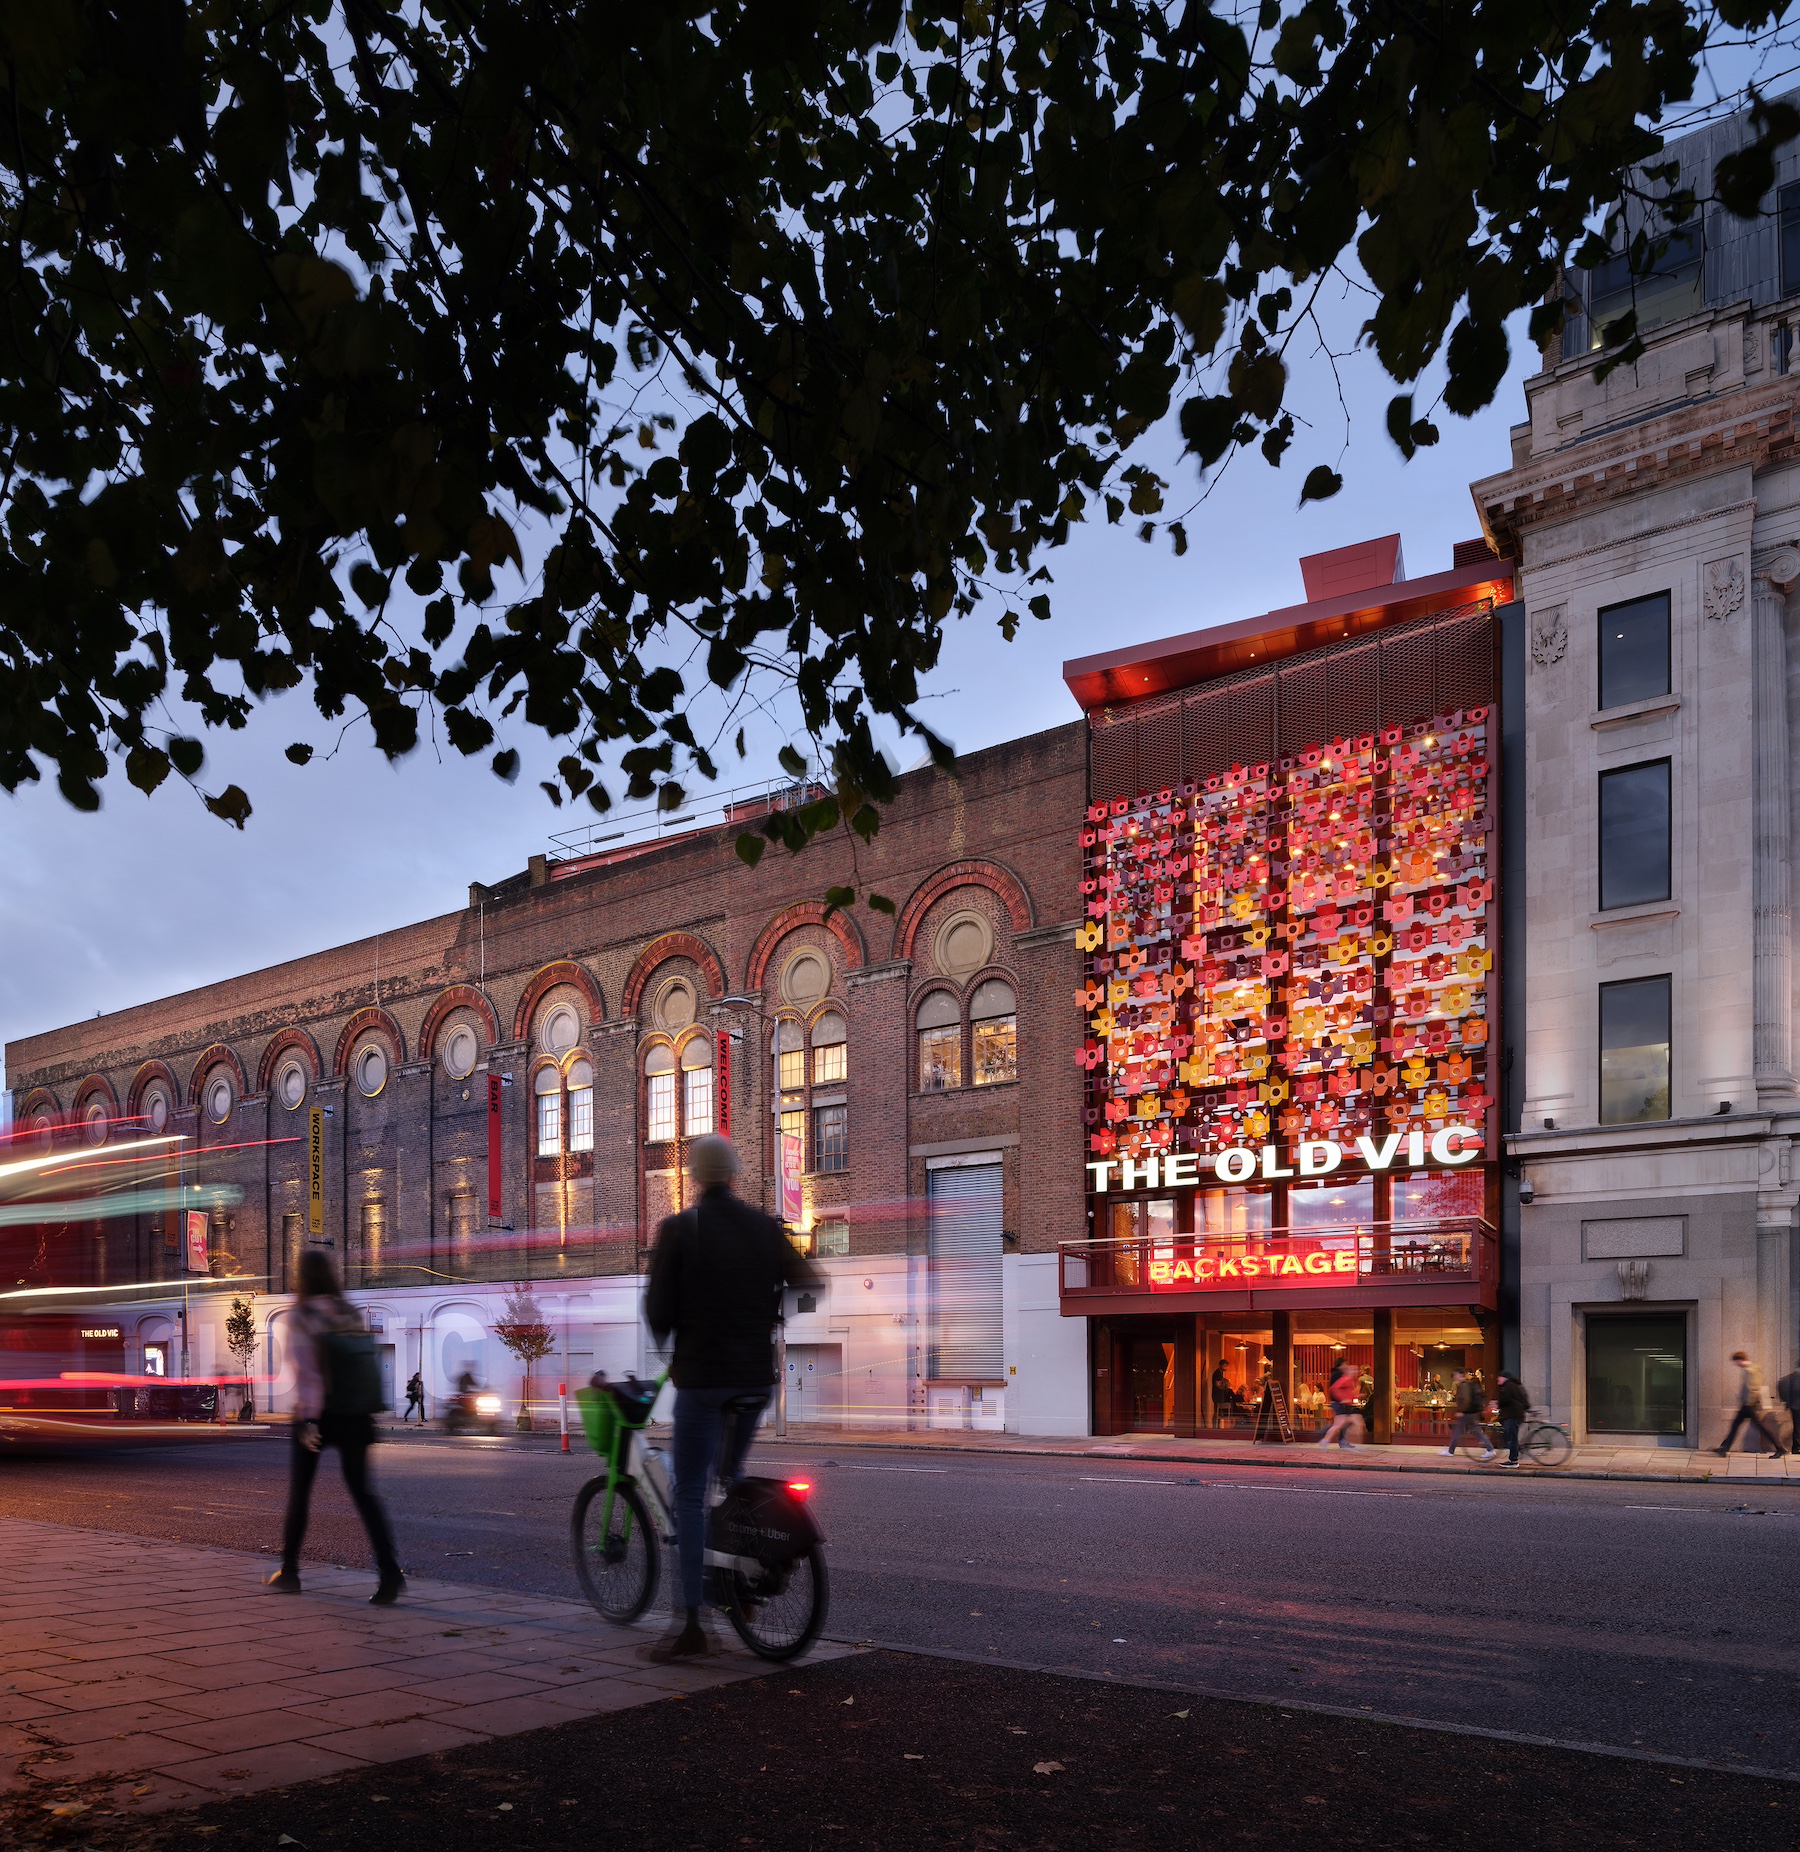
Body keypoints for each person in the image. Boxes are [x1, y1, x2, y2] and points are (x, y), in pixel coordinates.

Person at [644, 1133, 820, 1660]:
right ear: (735, 1175)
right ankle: (744, 1579)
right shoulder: (764, 1227)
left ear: (696, 1177)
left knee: (692, 1495)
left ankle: (692, 1625)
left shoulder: (680, 1229)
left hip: (702, 1380)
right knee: (732, 1475)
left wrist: (672, 1343)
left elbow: (657, 1310)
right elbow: (809, 1280)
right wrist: (768, 1315)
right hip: (753, 1379)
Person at [266, 1252, 405, 1604]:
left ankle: (290, 1572)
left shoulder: (302, 1315)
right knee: (364, 1494)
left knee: (301, 1494)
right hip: (356, 1413)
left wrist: (310, 1420)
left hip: (320, 1413)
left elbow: (308, 1373)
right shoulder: (349, 1312)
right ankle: (389, 1573)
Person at [1716, 1350, 1786, 1457]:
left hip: (1750, 1404)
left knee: (1762, 1427)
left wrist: (1749, 1402)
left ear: (1740, 1360)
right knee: (1736, 1424)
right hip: (1747, 1404)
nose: (1736, 1364)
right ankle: (1724, 1447)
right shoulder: (1748, 1370)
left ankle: (1780, 1448)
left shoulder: (1751, 1370)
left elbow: (1754, 1387)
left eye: (1736, 1361)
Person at [1441, 1368, 1497, 1462]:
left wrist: (1462, 1411)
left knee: (1458, 1431)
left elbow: (1466, 1399)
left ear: (1460, 1375)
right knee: (1474, 1431)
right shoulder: (1466, 1385)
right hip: (1470, 1412)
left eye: (1455, 1375)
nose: (1455, 1377)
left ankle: (1450, 1451)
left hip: (1467, 1413)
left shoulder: (1464, 1385)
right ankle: (1490, 1449)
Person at [1317, 1358, 1364, 1450]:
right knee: (1349, 1422)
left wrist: (1357, 1396)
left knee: (1349, 1422)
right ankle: (1326, 1440)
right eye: (1354, 1370)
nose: (1356, 1371)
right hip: (1340, 1404)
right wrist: (1343, 1399)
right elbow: (1333, 1389)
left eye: (1356, 1370)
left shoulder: (1350, 1380)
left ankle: (1327, 1440)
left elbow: (1348, 1393)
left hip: (1343, 1404)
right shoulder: (1345, 1379)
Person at [1494, 1370, 1530, 1468]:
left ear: (1504, 1377)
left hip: (1512, 1415)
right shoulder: (1517, 1385)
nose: (1498, 1380)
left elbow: (1505, 1400)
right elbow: (1525, 1401)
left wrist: (1498, 1404)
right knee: (1512, 1437)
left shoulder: (1508, 1386)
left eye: (1499, 1378)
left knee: (1512, 1438)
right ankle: (1514, 1456)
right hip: (1517, 1414)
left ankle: (1513, 1460)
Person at [1777, 1359, 1800, 1455]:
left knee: (1797, 1427)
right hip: (1797, 1406)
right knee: (1798, 1427)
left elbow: (1781, 1384)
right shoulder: (1795, 1378)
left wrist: (1787, 1401)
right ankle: (1796, 1447)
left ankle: (1796, 1447)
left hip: (1794, 1406)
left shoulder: (1790, 1377)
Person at [1209, 1362, 1235, 1427]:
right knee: (1217, 1411)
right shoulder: (1218, 1373)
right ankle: (1215, 1426)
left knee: (1218, 1411)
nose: (1226, 1368)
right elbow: (1218, 1384)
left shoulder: (1219, 1373)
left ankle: (1217, 1426)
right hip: (1217, 1395)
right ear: (1221, 1365)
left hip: (1218, 1394)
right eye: (1225, 1366)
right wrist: (1225, 1386)